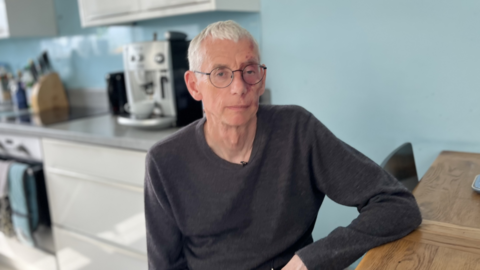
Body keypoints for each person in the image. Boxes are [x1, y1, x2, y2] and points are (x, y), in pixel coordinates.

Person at [144, 20, 422, 270]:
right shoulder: (165, 161)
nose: (239, 87)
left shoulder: (297, 130)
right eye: (220, 73)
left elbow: (398, 206)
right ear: (194, 85)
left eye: (249, 71)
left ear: (261, 79)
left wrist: (312, 259)